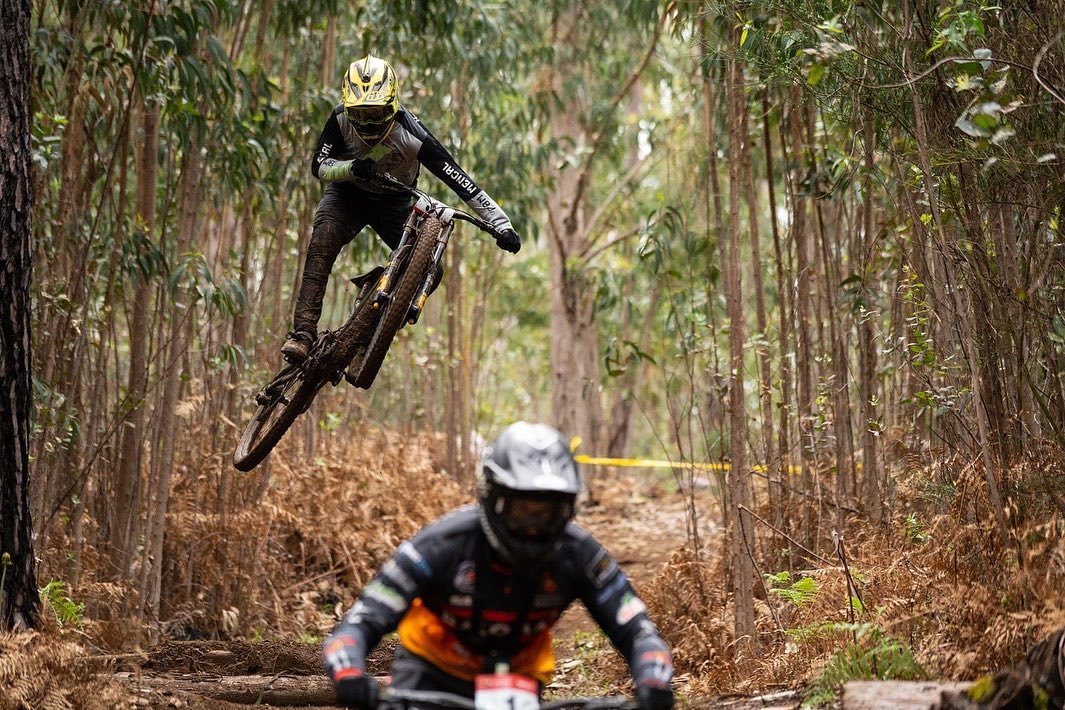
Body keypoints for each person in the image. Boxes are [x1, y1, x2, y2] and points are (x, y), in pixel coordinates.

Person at [322, 422, 675, 710]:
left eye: (550, 514)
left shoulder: (579, 553)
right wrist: (349, 673)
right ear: (492, 499)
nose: (534, 529)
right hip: (430, 676)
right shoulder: (440, 546)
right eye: (523, 512)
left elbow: (639, 633)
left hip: (518, 678)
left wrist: (653, 680)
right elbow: (359, 623)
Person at [282, 54, 522, 362]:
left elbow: (459, 180)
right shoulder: (339, 119)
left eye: (377, 113)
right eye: (361, 114)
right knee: (322, 243)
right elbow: (319, 166)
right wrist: (352, 168)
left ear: (393, 105)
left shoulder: (413, 134)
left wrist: (501, 224)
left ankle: (370, 333)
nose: (369, 122)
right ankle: (302, 334)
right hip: (346, 195)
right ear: (347, 106)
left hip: (393, 202)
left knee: (432, 269)